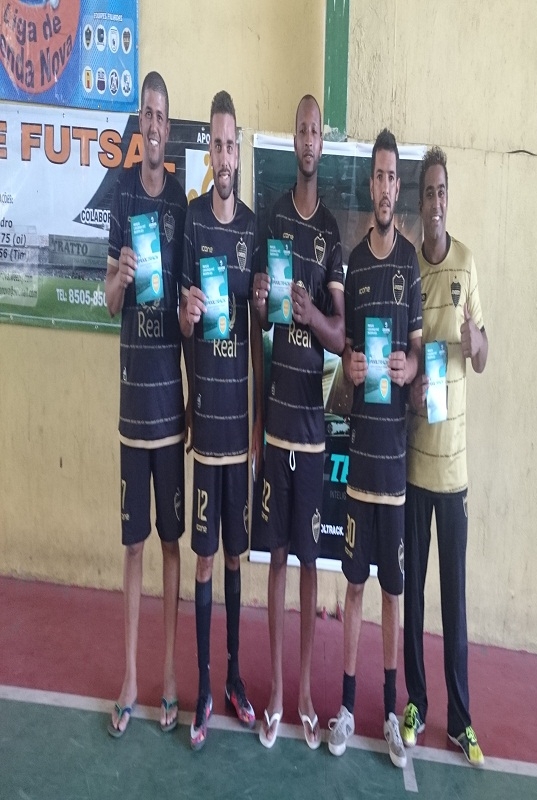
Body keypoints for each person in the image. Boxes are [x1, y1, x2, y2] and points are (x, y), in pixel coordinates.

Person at [252, 94, 345, 750]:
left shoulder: (332, 232)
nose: (309, 140)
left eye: (316, 131)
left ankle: (309, 693)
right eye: (302, 130)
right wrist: (263, 301)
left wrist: (311, 314)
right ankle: (279, 696)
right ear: (293, 140)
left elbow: (339, 335)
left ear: (321, 142)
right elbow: (259, 317)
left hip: (312, 432)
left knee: (311, 564)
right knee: (278, 560)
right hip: (277, 425)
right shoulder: (274, 217)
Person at [327, 129, 422, 768]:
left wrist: (407, 367)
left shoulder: (409, 262)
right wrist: (353, 366)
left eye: (393, 178)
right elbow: (345, 358)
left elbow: (414, 355)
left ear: (397, 187)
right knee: (355, 588)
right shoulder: (355, 264)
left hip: (396, 466)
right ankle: (344, 708)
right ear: (369, 184)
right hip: (361, 461)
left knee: (392, 592)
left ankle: (389, 712)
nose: (386, 187)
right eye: (379, 177)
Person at [179, 91, 264, 751]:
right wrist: (187, 318)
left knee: (237, 556)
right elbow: (184, 326)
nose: (225, 154)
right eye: (217, 144)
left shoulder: (254, 231)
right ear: (208, 152)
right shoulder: (191, 223)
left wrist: (258, 422)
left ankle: (235, 678)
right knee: (204, 561)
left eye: (232, 144)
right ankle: (205, 687)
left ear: (240, 151)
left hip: (241, 432)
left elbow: (260, 332)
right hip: (206, 427)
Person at [105, 71, 188, 737]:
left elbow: (189, 313)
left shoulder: (181, 206)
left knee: (169, 545)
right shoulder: (122, 193)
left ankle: (167, 676)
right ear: (139, 124)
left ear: (169, 125)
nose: (154, 126)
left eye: (162, 116)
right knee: (133, 547)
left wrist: (189, 313)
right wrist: (121, 277)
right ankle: (131, 675)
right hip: (133, 414)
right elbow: (109, 302)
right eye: (148, 115)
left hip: (172, 411)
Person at [401, 146, 489, 766]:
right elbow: (407, 362)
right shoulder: (410, 269)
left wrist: (474, 338)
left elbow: (482, 357)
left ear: (448, 199)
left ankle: (461, 720)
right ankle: (416, 704)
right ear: (419, 200)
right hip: (414, 465)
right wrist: (412, 384)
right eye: (429, 192)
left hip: (454, 471)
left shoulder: (467, 263)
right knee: (413, 597)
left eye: (443, 192)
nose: (436, 202)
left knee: (453, 602)